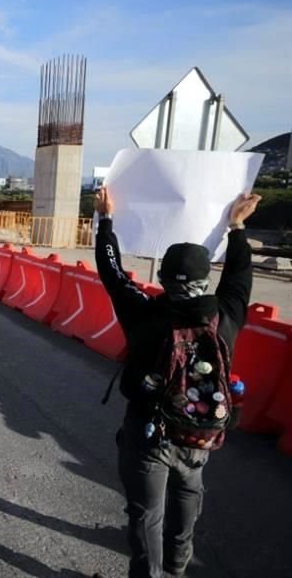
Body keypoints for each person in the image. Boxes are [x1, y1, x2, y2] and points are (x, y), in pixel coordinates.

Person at [94, 187, 261, 578]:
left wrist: (106, 221)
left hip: (150, 429)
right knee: (188, 491)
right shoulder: (226, 315)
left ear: (165, 278)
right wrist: (236, 227)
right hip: (200, 431)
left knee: (146, 512)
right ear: (206, 278)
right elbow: (240, 276)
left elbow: (112, 273)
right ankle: (177, 564)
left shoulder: (143, 313)